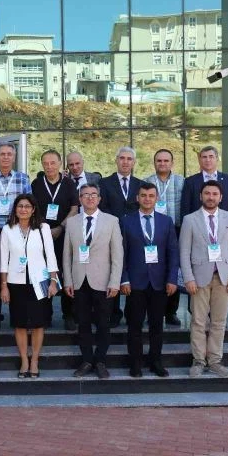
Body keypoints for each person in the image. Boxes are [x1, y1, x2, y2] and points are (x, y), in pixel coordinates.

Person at [180, 181, 228, 377]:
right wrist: (188, 278)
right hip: (198, 278)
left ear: (220, 197)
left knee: (219, 321)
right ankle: (198, 360)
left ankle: (215, 360)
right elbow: (184, 252)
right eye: (207, 193)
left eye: (215, 194)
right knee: (198, 321)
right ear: (201, 196)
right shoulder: (190, 220)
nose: (211, 197)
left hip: (223, 278)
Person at [63, 184, 123, 379]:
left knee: (103, 324)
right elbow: (67, 255)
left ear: (99, 199)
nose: (89, 198)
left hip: (104, 281)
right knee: (83, 323)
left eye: (93, 194)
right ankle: (87, 360)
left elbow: (117, 254)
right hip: (79, 281)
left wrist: (115, 282)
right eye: (85, 195)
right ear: (80, 199)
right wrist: (68, 280)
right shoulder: (72, 222)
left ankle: (101, 361)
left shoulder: (111, 221)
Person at [120, 182, 179, 378]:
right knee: (134, 326)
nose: (147, 199)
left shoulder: (166, 221)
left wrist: (172, 279)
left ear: (157, 199)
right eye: (143, 195)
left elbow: (173, 252)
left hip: (159, 283)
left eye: (151, 196)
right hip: (135, 283)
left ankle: (156, 362)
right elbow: (121, 253)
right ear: (137, 198)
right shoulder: (126, 221)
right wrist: (124, 279)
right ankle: (135, 363)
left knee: (157, 326)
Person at [0, 193, 59, 378]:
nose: (23, 209)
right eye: (20, 206)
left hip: (40, 281)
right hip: (15, 283)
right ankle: (24, 360)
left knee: (38, 323)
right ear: (15, 209)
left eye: (27, 206)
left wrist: (53, 281)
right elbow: (3, 259)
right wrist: (4, 285)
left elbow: (50, 255)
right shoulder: (7, 229)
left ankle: (35, 360)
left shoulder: (43, 228)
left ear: (33, 209)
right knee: (19, 323)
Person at [0, 143, 32, 332]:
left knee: (17, 271)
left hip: (16, 230)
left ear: (14, 157)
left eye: (9, 154)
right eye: (2, 154)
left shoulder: (23, 178)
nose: (5, 157)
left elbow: (29, 205)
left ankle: (18, 316)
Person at [31, 149, 79, 330]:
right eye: (46, 163)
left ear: (60, 164)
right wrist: (45, 229)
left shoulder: (69, 184)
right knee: (45, 274)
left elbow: (74, 208)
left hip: (65, 235)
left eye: (53, 163)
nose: (49, 166)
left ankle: (69, 314)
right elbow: (32, 209)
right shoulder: (36, 183)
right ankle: (46, 314)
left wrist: (60, 227)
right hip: (42, 236)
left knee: (66, 273)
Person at [98, 146, 144, 327]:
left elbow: (143, 207)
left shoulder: (140, 184)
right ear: (116, 160)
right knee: (113, 270)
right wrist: (116, 222)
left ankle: (132, 312)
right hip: (111, 233)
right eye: (122, 158)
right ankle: (114, 312)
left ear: (134, 162)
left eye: (129, 159)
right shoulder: (104, 183)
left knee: (133, 269)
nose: (125, 162)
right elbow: (102, 207)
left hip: (134, 235)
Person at [143, 149, 185, 326]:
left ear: (172, 163)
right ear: (154, 163)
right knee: (153, 270)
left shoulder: (181, 181)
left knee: (173, 269)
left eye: (166, 160)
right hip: (153, 230)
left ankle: (171, 312)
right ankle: (153, 311)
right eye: (159, 160)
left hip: (175, 229)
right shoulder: (146, 182)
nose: (162, 163)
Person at [180, 145, 228, 218]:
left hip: (223, 223)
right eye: (204, 157)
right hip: (198, 223)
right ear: (200, 160)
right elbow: (185, 209)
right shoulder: (190, 181)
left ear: (217, 159)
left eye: (211, 157)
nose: (207, 160)